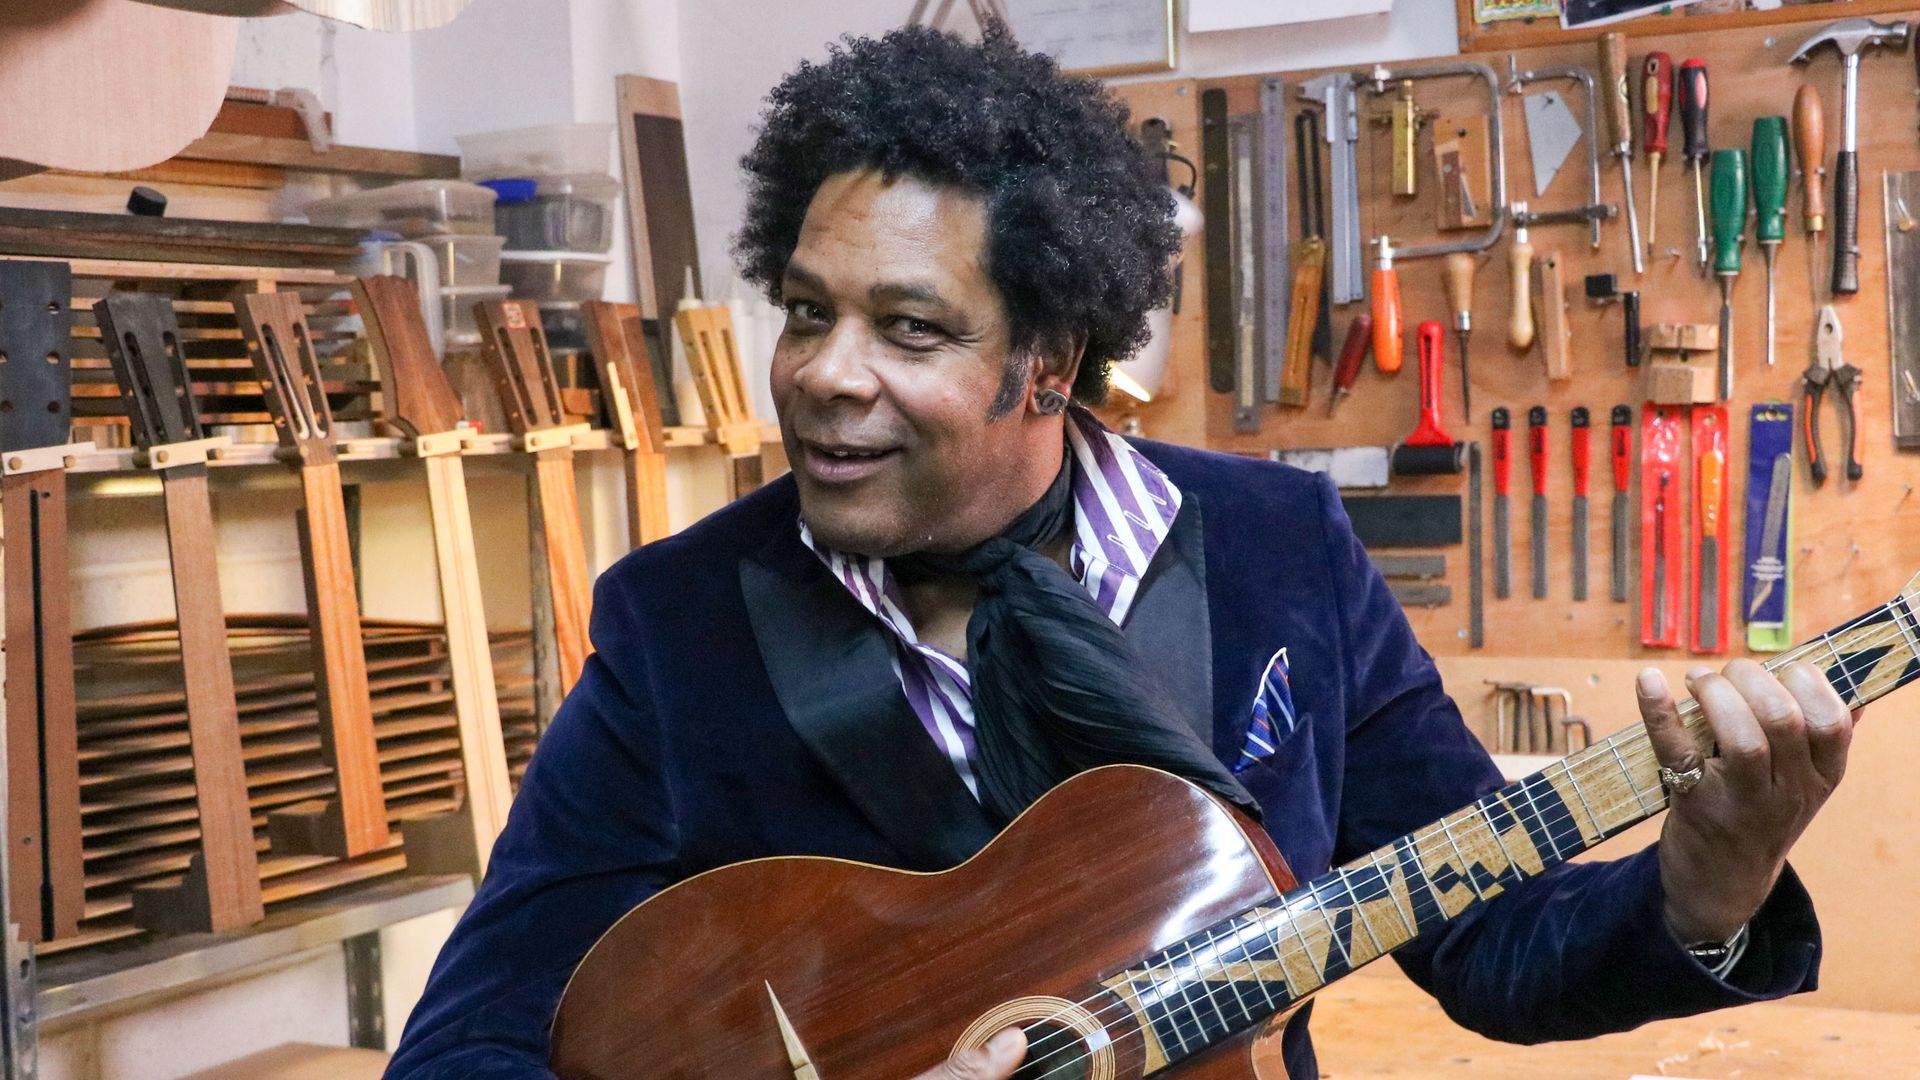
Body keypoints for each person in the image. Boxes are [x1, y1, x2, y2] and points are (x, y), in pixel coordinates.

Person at [383, 24, 1853, 1080]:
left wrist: (1703, 889)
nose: (826, 374)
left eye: (909, 328)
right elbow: (470, 1046)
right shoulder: (679, 622)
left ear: (1053, 358)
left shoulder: (1282, 551)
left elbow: (1493, 949)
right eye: (807, 310)